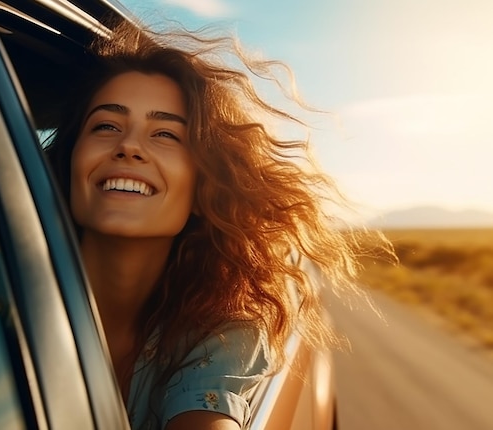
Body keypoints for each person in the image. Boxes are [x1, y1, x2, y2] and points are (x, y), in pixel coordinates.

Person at [43, 19, 390, 430]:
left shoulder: (224, 327)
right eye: (106, 126)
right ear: (69, 161)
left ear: (205, 186)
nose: (129, 146)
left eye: (166, 135)